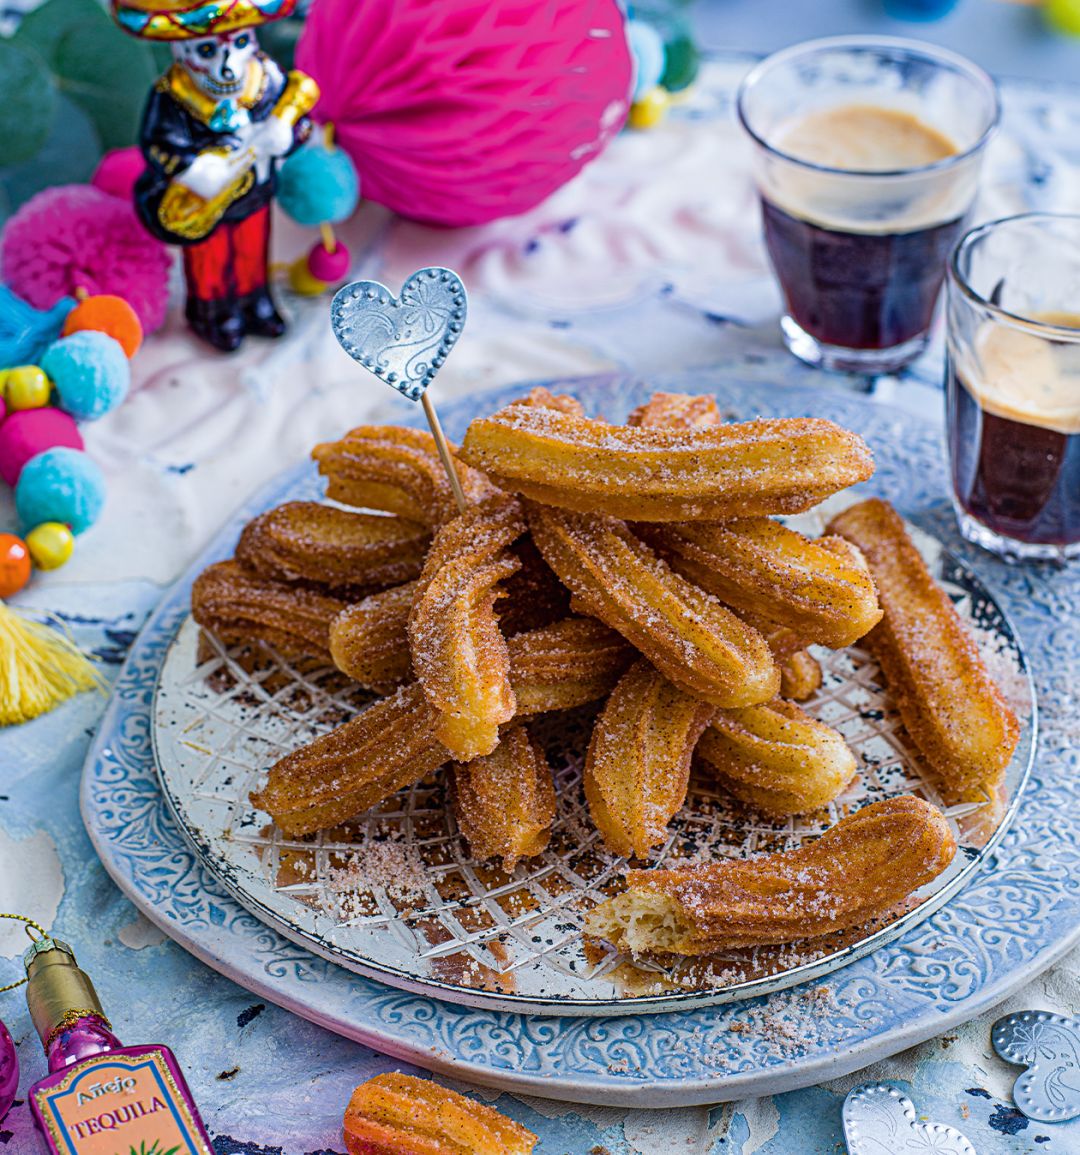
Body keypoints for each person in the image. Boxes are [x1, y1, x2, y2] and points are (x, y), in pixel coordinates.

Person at [112, 0, 319, 351]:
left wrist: (287, 131)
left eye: (239, 44)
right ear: (180, 50)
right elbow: (160, 144)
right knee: (211, 259)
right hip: (205, 203)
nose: (228, 68)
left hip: (255, 190)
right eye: (207, 51)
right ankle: (214, 311)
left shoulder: (266, 79)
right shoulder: (175, 97)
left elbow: (299, 118)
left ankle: (255, 301)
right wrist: (192, 169)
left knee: (253, 248)